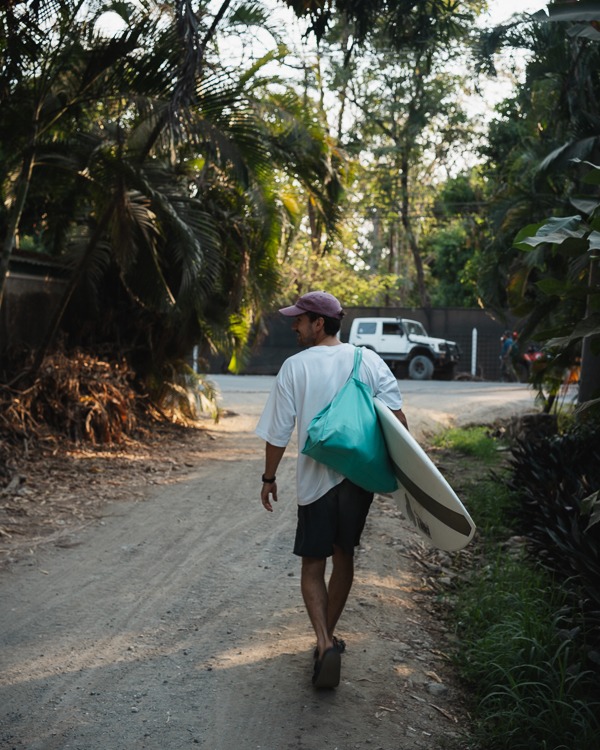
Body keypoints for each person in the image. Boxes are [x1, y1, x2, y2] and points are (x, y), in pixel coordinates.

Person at [255, 291, 408, 689]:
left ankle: (323, 640)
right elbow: (396, 419)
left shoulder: (295, 367)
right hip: (358, 479)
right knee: (344, 557)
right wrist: (409, 478)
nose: (294, 326)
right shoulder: (367, 359)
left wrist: (269, 478)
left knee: (312, 563)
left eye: (299, 320)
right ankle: (327, 641)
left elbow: (277, 433)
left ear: (318, 323)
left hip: (315, 483)